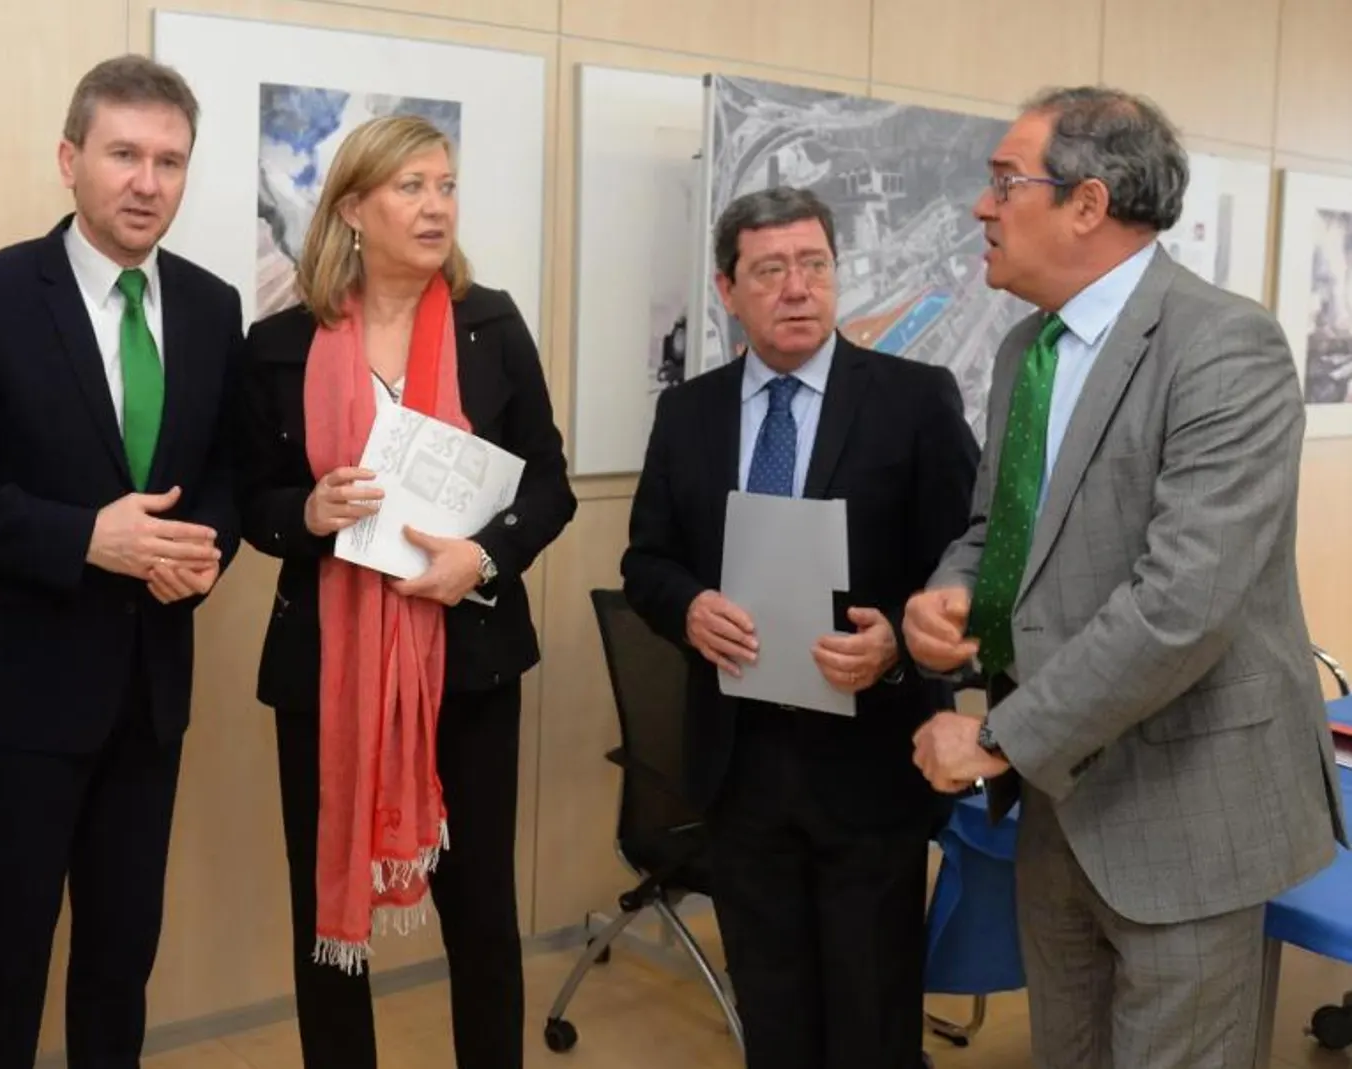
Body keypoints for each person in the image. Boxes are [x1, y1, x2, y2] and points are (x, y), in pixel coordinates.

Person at [906, 86, 1346, 1069]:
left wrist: (997, 738)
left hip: (1185, 801)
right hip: (1061, 800)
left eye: (1002, 182)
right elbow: (998, 529)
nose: (981, 207)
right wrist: (950, 589)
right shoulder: (1028, 348)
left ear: (1087, 204)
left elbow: (1182, 604)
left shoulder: (1223, 347)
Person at [0, 54, 241, 1069]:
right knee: (4, 954)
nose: (147, 181)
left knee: (122, 957)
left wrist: (197, 547)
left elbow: (221, 467)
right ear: (69, 159)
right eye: (124, 153)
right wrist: (84, 536)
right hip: (23, 702)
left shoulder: (213, 308)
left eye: (169, 160)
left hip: (149, 694)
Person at [237, 113, 575, 1069]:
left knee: (481, 912)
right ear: (353, 205)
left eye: (447, 185)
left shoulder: (492, 324)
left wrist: (485, 558)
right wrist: (303, 512)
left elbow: (547, 485)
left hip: (467, 663)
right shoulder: (277, 345)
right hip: (324, 672)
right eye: (411, 187)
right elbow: (248, 495)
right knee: (324, 912)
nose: (436, 207)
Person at [621, 186, 978, 1069]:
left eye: (814, 265)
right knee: (774, 1014)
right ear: (727, 288)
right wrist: (689, 606)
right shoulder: (690, 412)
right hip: (741, 763)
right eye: (770, 269)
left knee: (870, 1016)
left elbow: (967, 564)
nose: (796, 288)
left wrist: (896, 636)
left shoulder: (914, 399)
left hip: (871, 762)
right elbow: (647, 562)